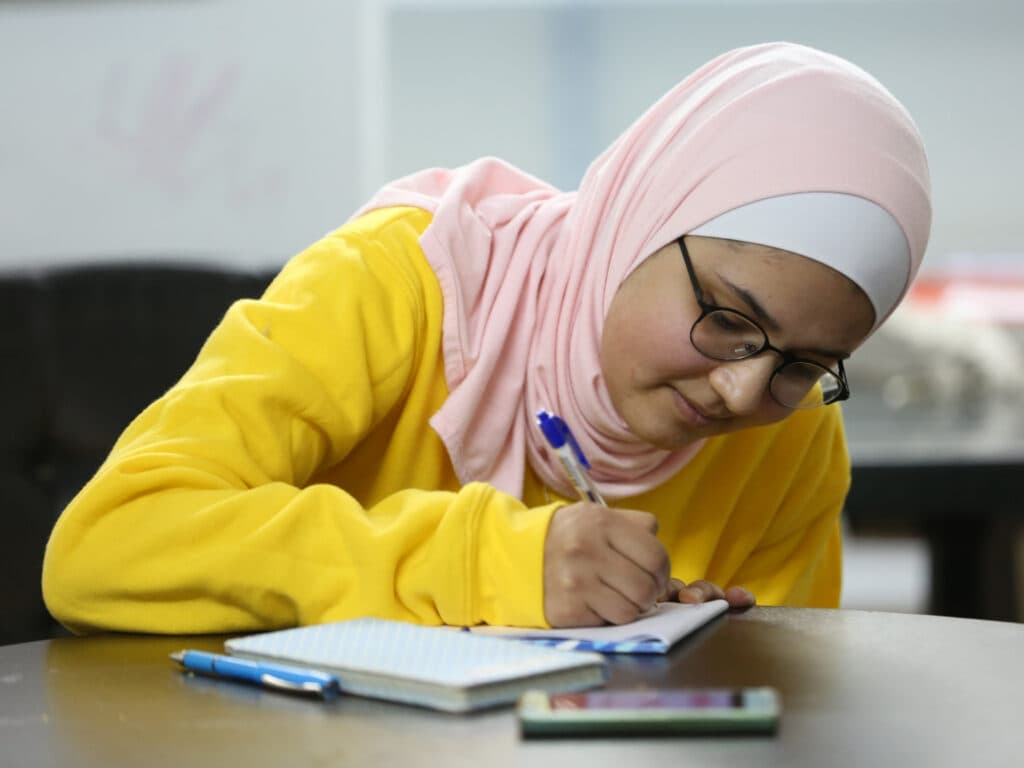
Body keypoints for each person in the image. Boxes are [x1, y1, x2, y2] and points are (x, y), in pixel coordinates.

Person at [42, 41, 931, 635]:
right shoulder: (400, 284)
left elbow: (772, 709)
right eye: (731, 320)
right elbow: (104, 547)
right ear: (636, 216)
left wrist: (684, 640)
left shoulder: (795, 431)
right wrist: (485, 562)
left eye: (807, 364)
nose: (745, 393)